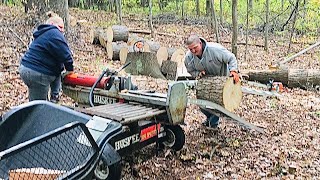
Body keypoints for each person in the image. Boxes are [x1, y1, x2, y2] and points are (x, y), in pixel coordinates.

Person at [184, 34, 240, 128]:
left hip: (222, 82)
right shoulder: (189, 57)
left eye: (195, 48)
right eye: (190, 49)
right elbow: (190, 70)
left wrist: (233, 70)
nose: (193, 51)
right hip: (205, 85)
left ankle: (213, 124)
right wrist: (197, 74)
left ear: (200, 43)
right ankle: (210, 119)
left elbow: (231, 58)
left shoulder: (215, 49)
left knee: (218, 105)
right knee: (202, 105)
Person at [19, 12, 74, 102]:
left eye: (63, 28)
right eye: (60, 27)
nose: (62, 31)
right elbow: (66, 55)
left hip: (26, 68)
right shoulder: (54, 32)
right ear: (52, 24)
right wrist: (70, 70)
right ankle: (41, 112)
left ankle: (54, 99)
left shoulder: (44, 33)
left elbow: (59, 59)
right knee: (38, 105)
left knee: (56, 75)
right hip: (36, 72)